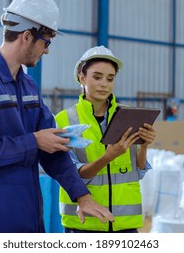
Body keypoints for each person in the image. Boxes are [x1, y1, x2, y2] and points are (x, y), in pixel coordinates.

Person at [0, 0, 113, 233]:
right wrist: (33, 141)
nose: (46, 51)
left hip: (28, 201)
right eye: (46, 42)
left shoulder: (28, 86)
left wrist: (82, 196)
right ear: (27, 36)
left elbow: (53, 145)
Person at [55, 46, 157, 233]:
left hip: (125, 224)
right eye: (97, 77)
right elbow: (72, 174)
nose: (104, 84)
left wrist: (144, 145)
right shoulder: (63, 120)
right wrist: (108, 157)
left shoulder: (128, 115)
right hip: (85, 224)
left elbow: (139, 171)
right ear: (82, 77)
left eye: (110, 79)